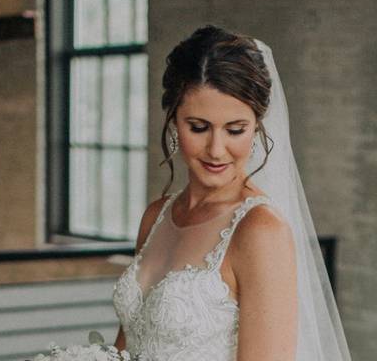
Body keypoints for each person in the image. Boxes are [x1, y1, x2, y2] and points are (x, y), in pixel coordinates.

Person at [111, 25, 352, 360]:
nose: (216, 149)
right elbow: (126, 347)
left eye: (235, 130)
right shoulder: (155, 216)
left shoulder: (260, 231)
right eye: (198, 127)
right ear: (173, 120)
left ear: (257, 127)